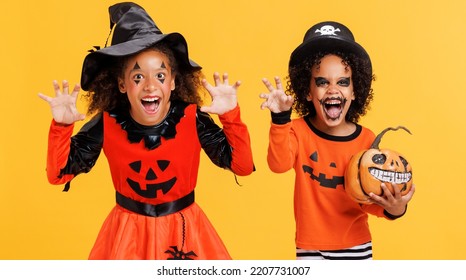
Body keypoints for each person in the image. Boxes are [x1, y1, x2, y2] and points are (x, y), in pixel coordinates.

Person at [38, 2, 254, 260]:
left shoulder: (192, 118)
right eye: (138, 77)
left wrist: (231, 117)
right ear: (121, 84)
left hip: (184, 232)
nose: (150, 86)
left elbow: (241, 165)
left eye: (160, 76)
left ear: (173, 81)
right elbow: (58, 174)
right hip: (126, 235)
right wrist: (61, 127)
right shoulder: (107, 123)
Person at [259, 21, 415, 260]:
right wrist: (280, 118)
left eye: (343, 82)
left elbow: (369, 198)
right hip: (309, 247)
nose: (333, 89)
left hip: (355, 246)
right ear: (308, 92)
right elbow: (278, 165)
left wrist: (395, 208)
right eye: (322, 82)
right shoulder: (298, 130)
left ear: (354, 91)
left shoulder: (367, 140)